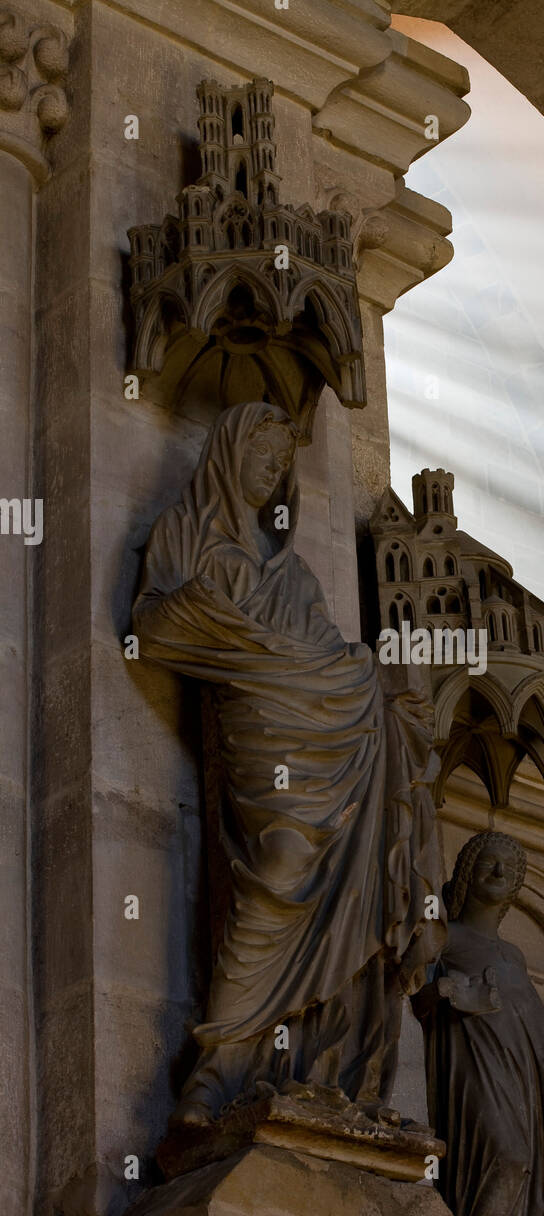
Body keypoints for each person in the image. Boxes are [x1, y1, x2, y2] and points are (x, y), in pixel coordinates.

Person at [133, 401, 442, 1127]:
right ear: (227, 455)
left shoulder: (295, 573)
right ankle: (218, 1067)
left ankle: (307, 1066)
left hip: (332, 746)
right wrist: (227, 627)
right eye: (261, 458)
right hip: (263, 742)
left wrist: (363, 677)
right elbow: (151, 627)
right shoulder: (184, 536)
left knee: (328, 864)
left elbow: (328, 658)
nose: (271, 474)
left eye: (281, 465)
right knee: (275, 871)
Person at [414, 830, 544, 1216]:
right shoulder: (445, 938)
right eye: (489, 863)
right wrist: (447, 994)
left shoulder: (513, 955)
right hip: (471, 1064)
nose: (498, 873)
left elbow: (535, 1030)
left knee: (527, 1164)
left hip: (524, 1077)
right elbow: (414, 997)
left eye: (509, 870)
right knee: (505, 1155)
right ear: (467, 872)